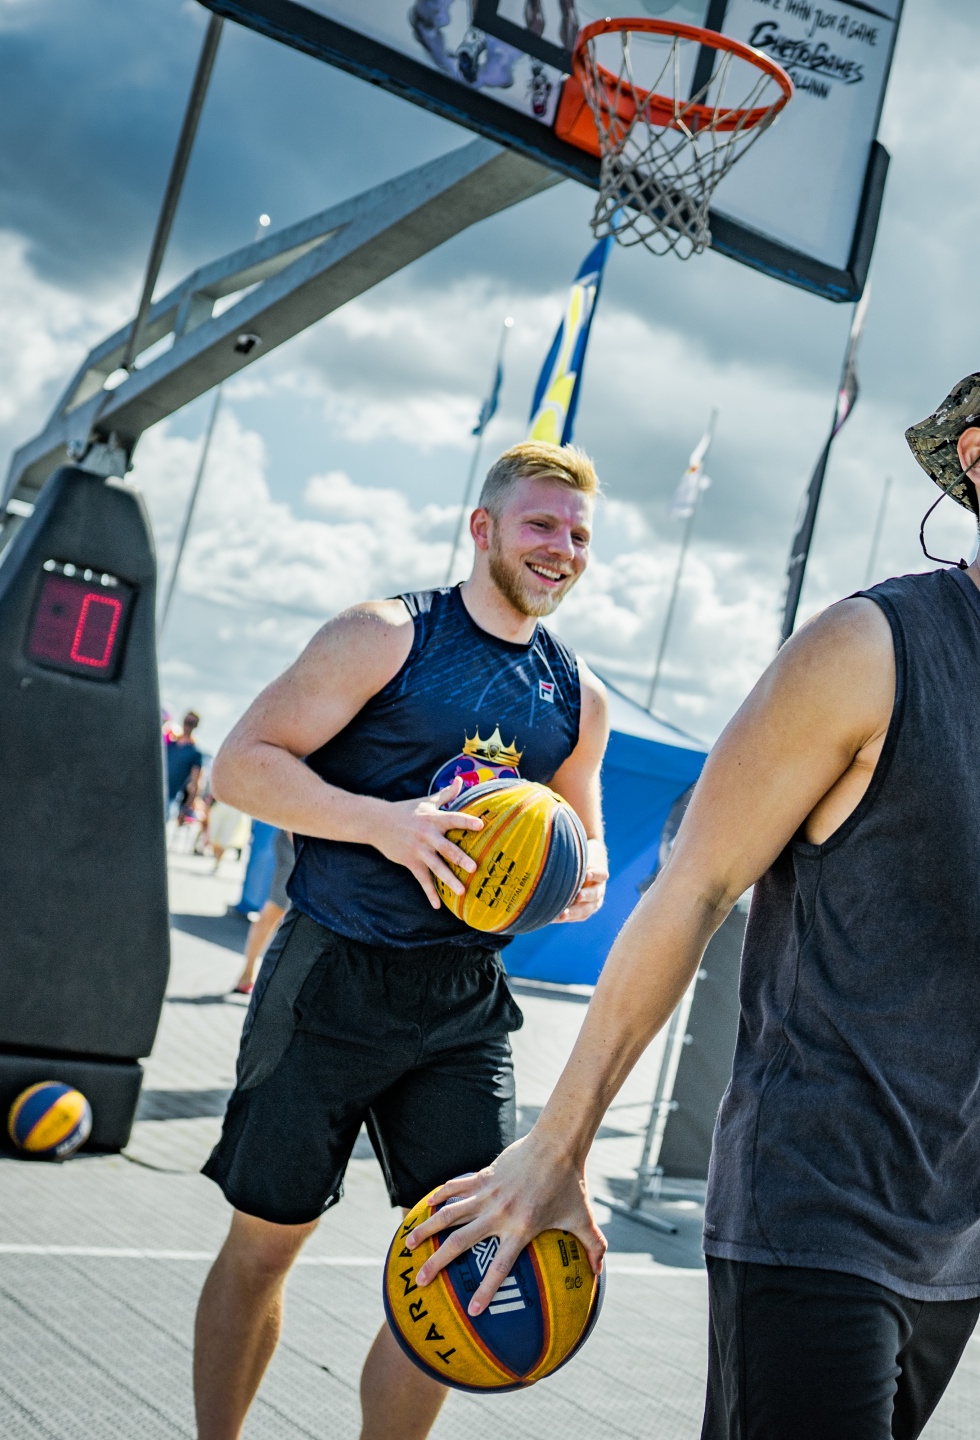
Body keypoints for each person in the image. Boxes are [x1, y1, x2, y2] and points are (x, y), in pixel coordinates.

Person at [404, 337, 980, 1440]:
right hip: (808, 1206)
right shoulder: (872, 646)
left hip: (959, 1236)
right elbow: (692, 891)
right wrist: (562, 1141)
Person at [191, 441, 613, 1440]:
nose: (561, 548)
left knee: (465, 1265)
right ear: (484, 528)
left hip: (462, 1003)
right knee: (267, 1244)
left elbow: (583, 841)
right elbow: (239, 766)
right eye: (542, 524)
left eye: (579, 534)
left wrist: (580, 879)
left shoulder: (576, 696)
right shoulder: (385, 635)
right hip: (330, 976)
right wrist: (384, 823)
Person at [232, 829, 294, 996]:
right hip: (299, 844)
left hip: (321, 851)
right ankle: (247, 975)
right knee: (276, 908)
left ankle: (251, 976)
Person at [165, 711, 204, 820]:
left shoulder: (195, 753)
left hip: (170, 798)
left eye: (191, 723)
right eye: (187, 721)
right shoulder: (170, 744)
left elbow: (195, 784)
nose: (188, 725)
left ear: (195, 726)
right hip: (152, 791)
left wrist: (186, 808)